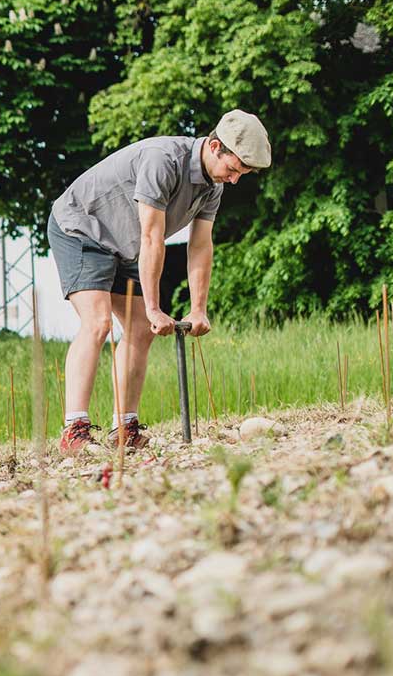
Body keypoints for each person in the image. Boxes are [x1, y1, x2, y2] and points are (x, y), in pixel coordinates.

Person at [48, 109, 271, 454]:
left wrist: (199, 309)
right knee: (98, 322)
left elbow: (200, 246)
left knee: (139, 329)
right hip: (83, 228)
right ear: (215, 146)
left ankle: (124, 428)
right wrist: (153, 307)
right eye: (233, 168)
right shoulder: (163, 160)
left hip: (128, 243)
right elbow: (153, 237)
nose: (235, 179)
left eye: (243, 173)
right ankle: (73, 431)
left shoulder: (213, 185)